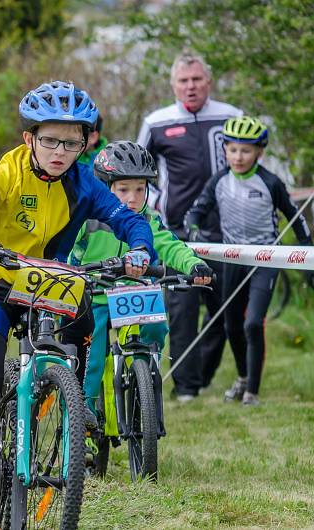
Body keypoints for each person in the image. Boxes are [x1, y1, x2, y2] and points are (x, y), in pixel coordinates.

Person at [0, 81, 156, 528]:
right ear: (29, 139)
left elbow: (128, 219)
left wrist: (139, 250)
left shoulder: (85, 183)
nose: (61, 151)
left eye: (72, 142)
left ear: (85, 142)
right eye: (50, 140)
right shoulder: (9, 173)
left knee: (78, 324)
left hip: (50, 284)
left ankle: (68, 410)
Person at [70, 141, 212, 417]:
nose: (132, 198)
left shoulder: (149, 220)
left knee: (156, 328)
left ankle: (143, 383)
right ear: (104, 188)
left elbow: (172, 246)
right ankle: (82, 423)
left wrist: (195, 264)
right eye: (123, 190)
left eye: (140, 189)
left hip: (135, 292)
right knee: (91, 361)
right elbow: (62, 250)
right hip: (94, 295)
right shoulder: (87, 220)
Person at [185, 117, 313, 406]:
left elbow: (297, 217)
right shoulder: (219, 181)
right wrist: (194, 228)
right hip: (233, 258)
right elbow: (196, 211)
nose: (238, 157)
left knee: (252, 323)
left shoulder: (270, 182)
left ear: (259, 152)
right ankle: (242, 378)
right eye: (233, 150)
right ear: (225, 151)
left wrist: (306, 255)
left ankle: (252, 392)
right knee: (231, 326)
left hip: (266, 259)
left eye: (246, 151)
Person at [137, 51, 242, 401]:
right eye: (183, 81)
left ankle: (204, 374)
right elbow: (138, 172)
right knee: (182, 312)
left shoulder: (231, 116)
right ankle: (186, 387)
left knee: (225, 311)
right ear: (173, 85)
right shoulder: (157, 122)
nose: (191, 86)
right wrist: (151, 210)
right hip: (178, 233)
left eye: (197, 79)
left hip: (227, 233)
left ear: (208, 82)